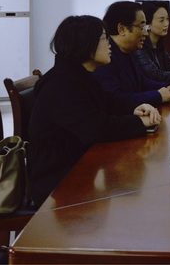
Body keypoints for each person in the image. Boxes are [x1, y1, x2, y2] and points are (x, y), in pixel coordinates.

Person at [28, 15, 162, 207]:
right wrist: (139, 123)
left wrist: (135, 109)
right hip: (58, 182)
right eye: (104, 38)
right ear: (85, 44)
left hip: (79, 165)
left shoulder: (79, 76)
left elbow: (108, 104)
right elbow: (95, 128)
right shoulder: (62, 84)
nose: (109, 45)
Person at [94, 1, 170, 114]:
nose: (146, 33)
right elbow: (116, 100)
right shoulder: (105, 57)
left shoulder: (127, 51)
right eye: (142, 27)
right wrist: (158, 95)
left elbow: (142, 82)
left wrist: (167, 88)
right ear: (122, 29)